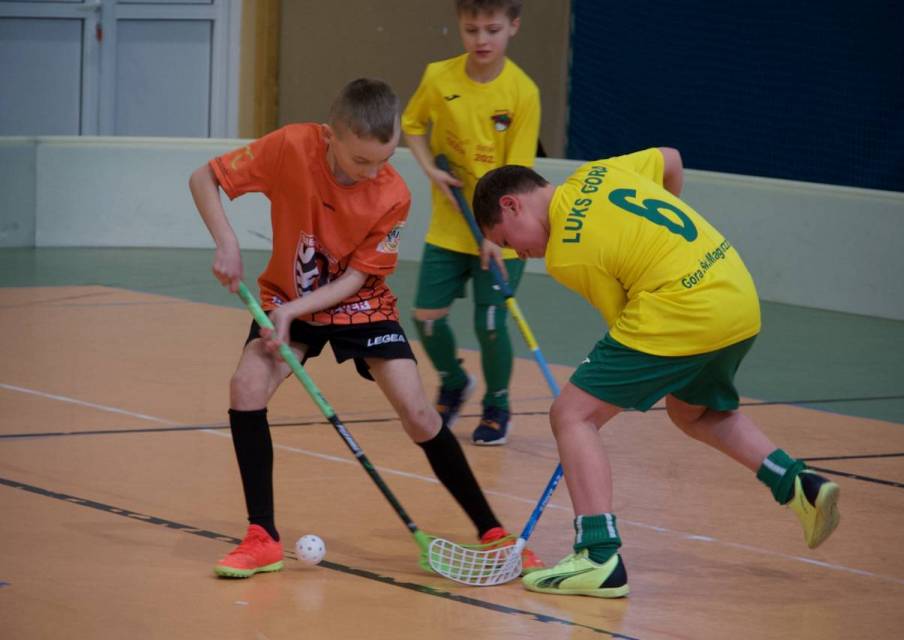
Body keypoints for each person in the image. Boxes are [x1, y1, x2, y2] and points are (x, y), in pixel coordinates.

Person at [188, 78, 542, 578]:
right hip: (289, 293)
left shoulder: (393, 193)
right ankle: (262, 537)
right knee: (246, 387)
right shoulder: (291, 146)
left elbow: (356, 278)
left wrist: (292, 312)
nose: (374, 172)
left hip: (361, 304)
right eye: (361, 161)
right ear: (330, 135)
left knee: (418, 411)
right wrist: (226, 243)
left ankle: (492, 532)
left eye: (386, 158)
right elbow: (204, 178)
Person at [472, 148, 841, 598]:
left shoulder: (566, 253)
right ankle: (797, 483)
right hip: (736, 295)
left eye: (508, 241)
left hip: (682, 309)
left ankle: (598, 556)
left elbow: (623, 321)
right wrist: (663, 248)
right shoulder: (597, 172)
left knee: (572, 414)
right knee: (693, 412)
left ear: (512, 204)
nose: (519, 254)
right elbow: (671, 160)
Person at [401, 0, 541, 445]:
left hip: (504, 229)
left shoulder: (523, 92)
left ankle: (498, 404)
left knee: (492, 323)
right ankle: (455, 381)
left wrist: (497, 235)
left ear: (513, 26)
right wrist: (430, 169)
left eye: (492, 30)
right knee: (425, 317)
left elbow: (518, 177)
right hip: (449, 226)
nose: (481, 39)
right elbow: (412, 124)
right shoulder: (438, 77)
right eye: (471, 29)